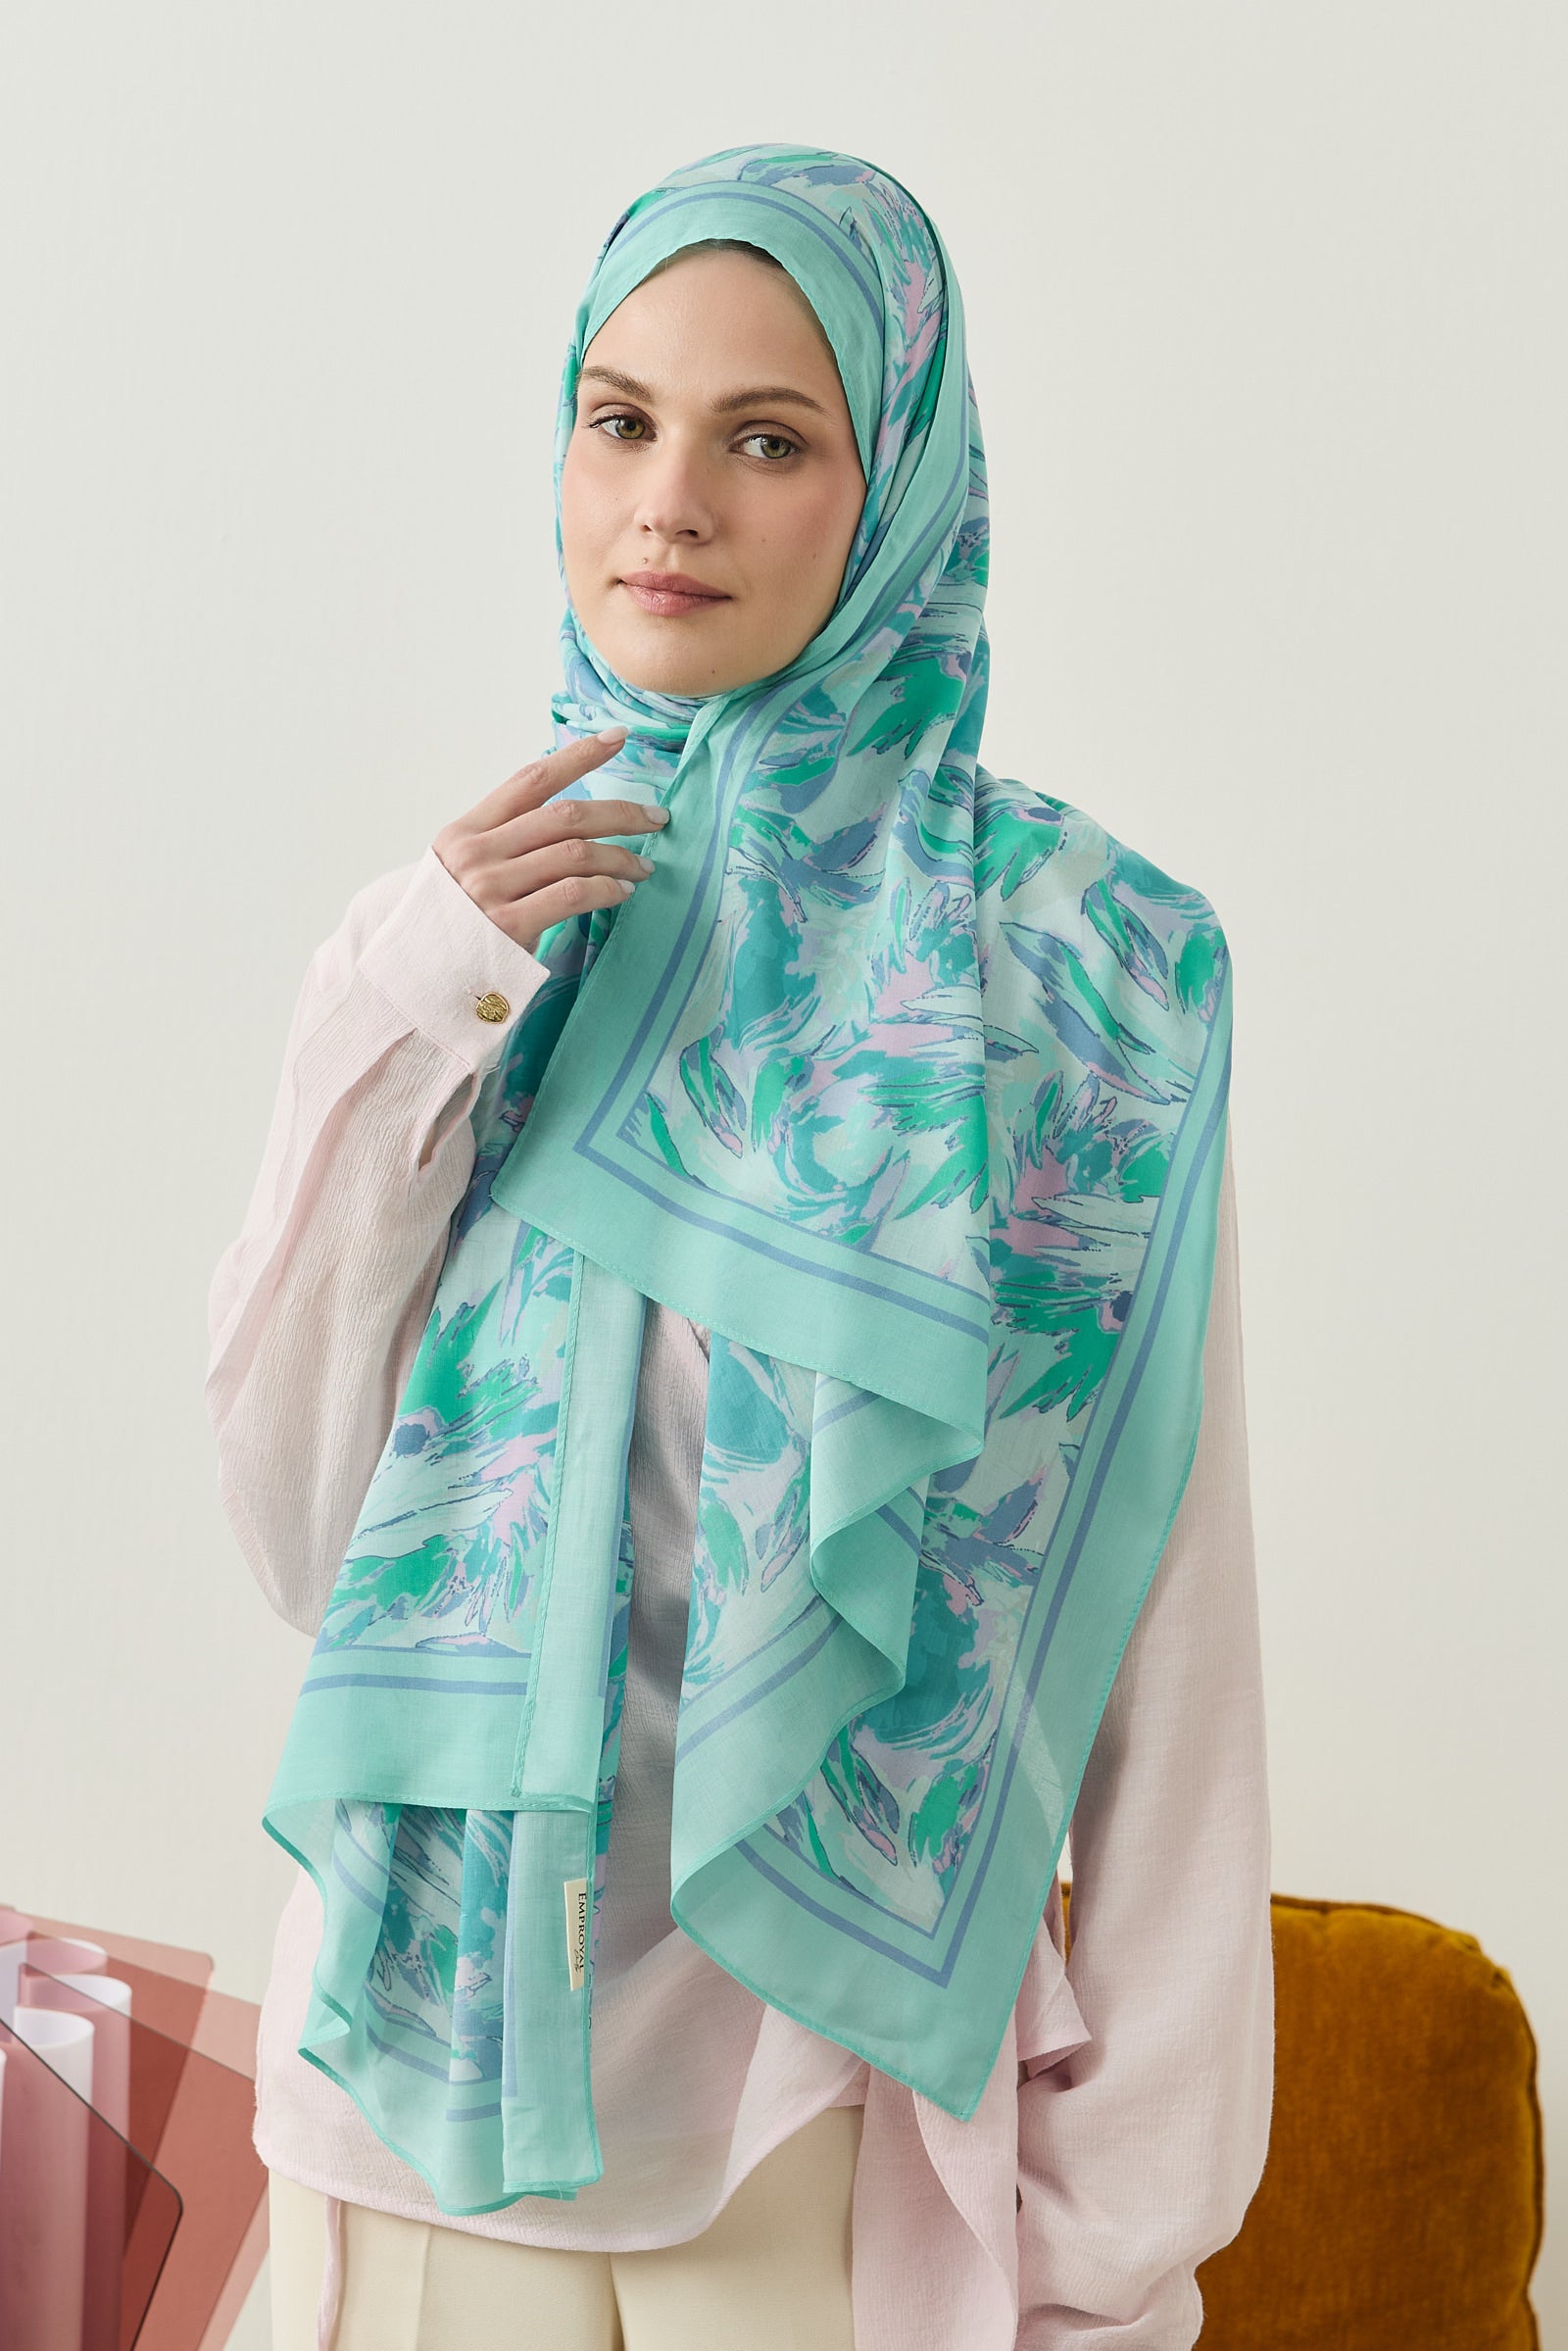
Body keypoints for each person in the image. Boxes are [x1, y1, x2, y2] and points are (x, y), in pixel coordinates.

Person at [206, 143, 1274, 2351]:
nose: (667, 505)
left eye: (766, 439)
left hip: (820, 2108)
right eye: (619, 421)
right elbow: (310, 1544)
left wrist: (1126, 2229)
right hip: (417, 2077)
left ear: (897, 494)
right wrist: (408, 1013)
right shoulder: (465, 947)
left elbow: (1171, 1653)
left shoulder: (1076, 989)